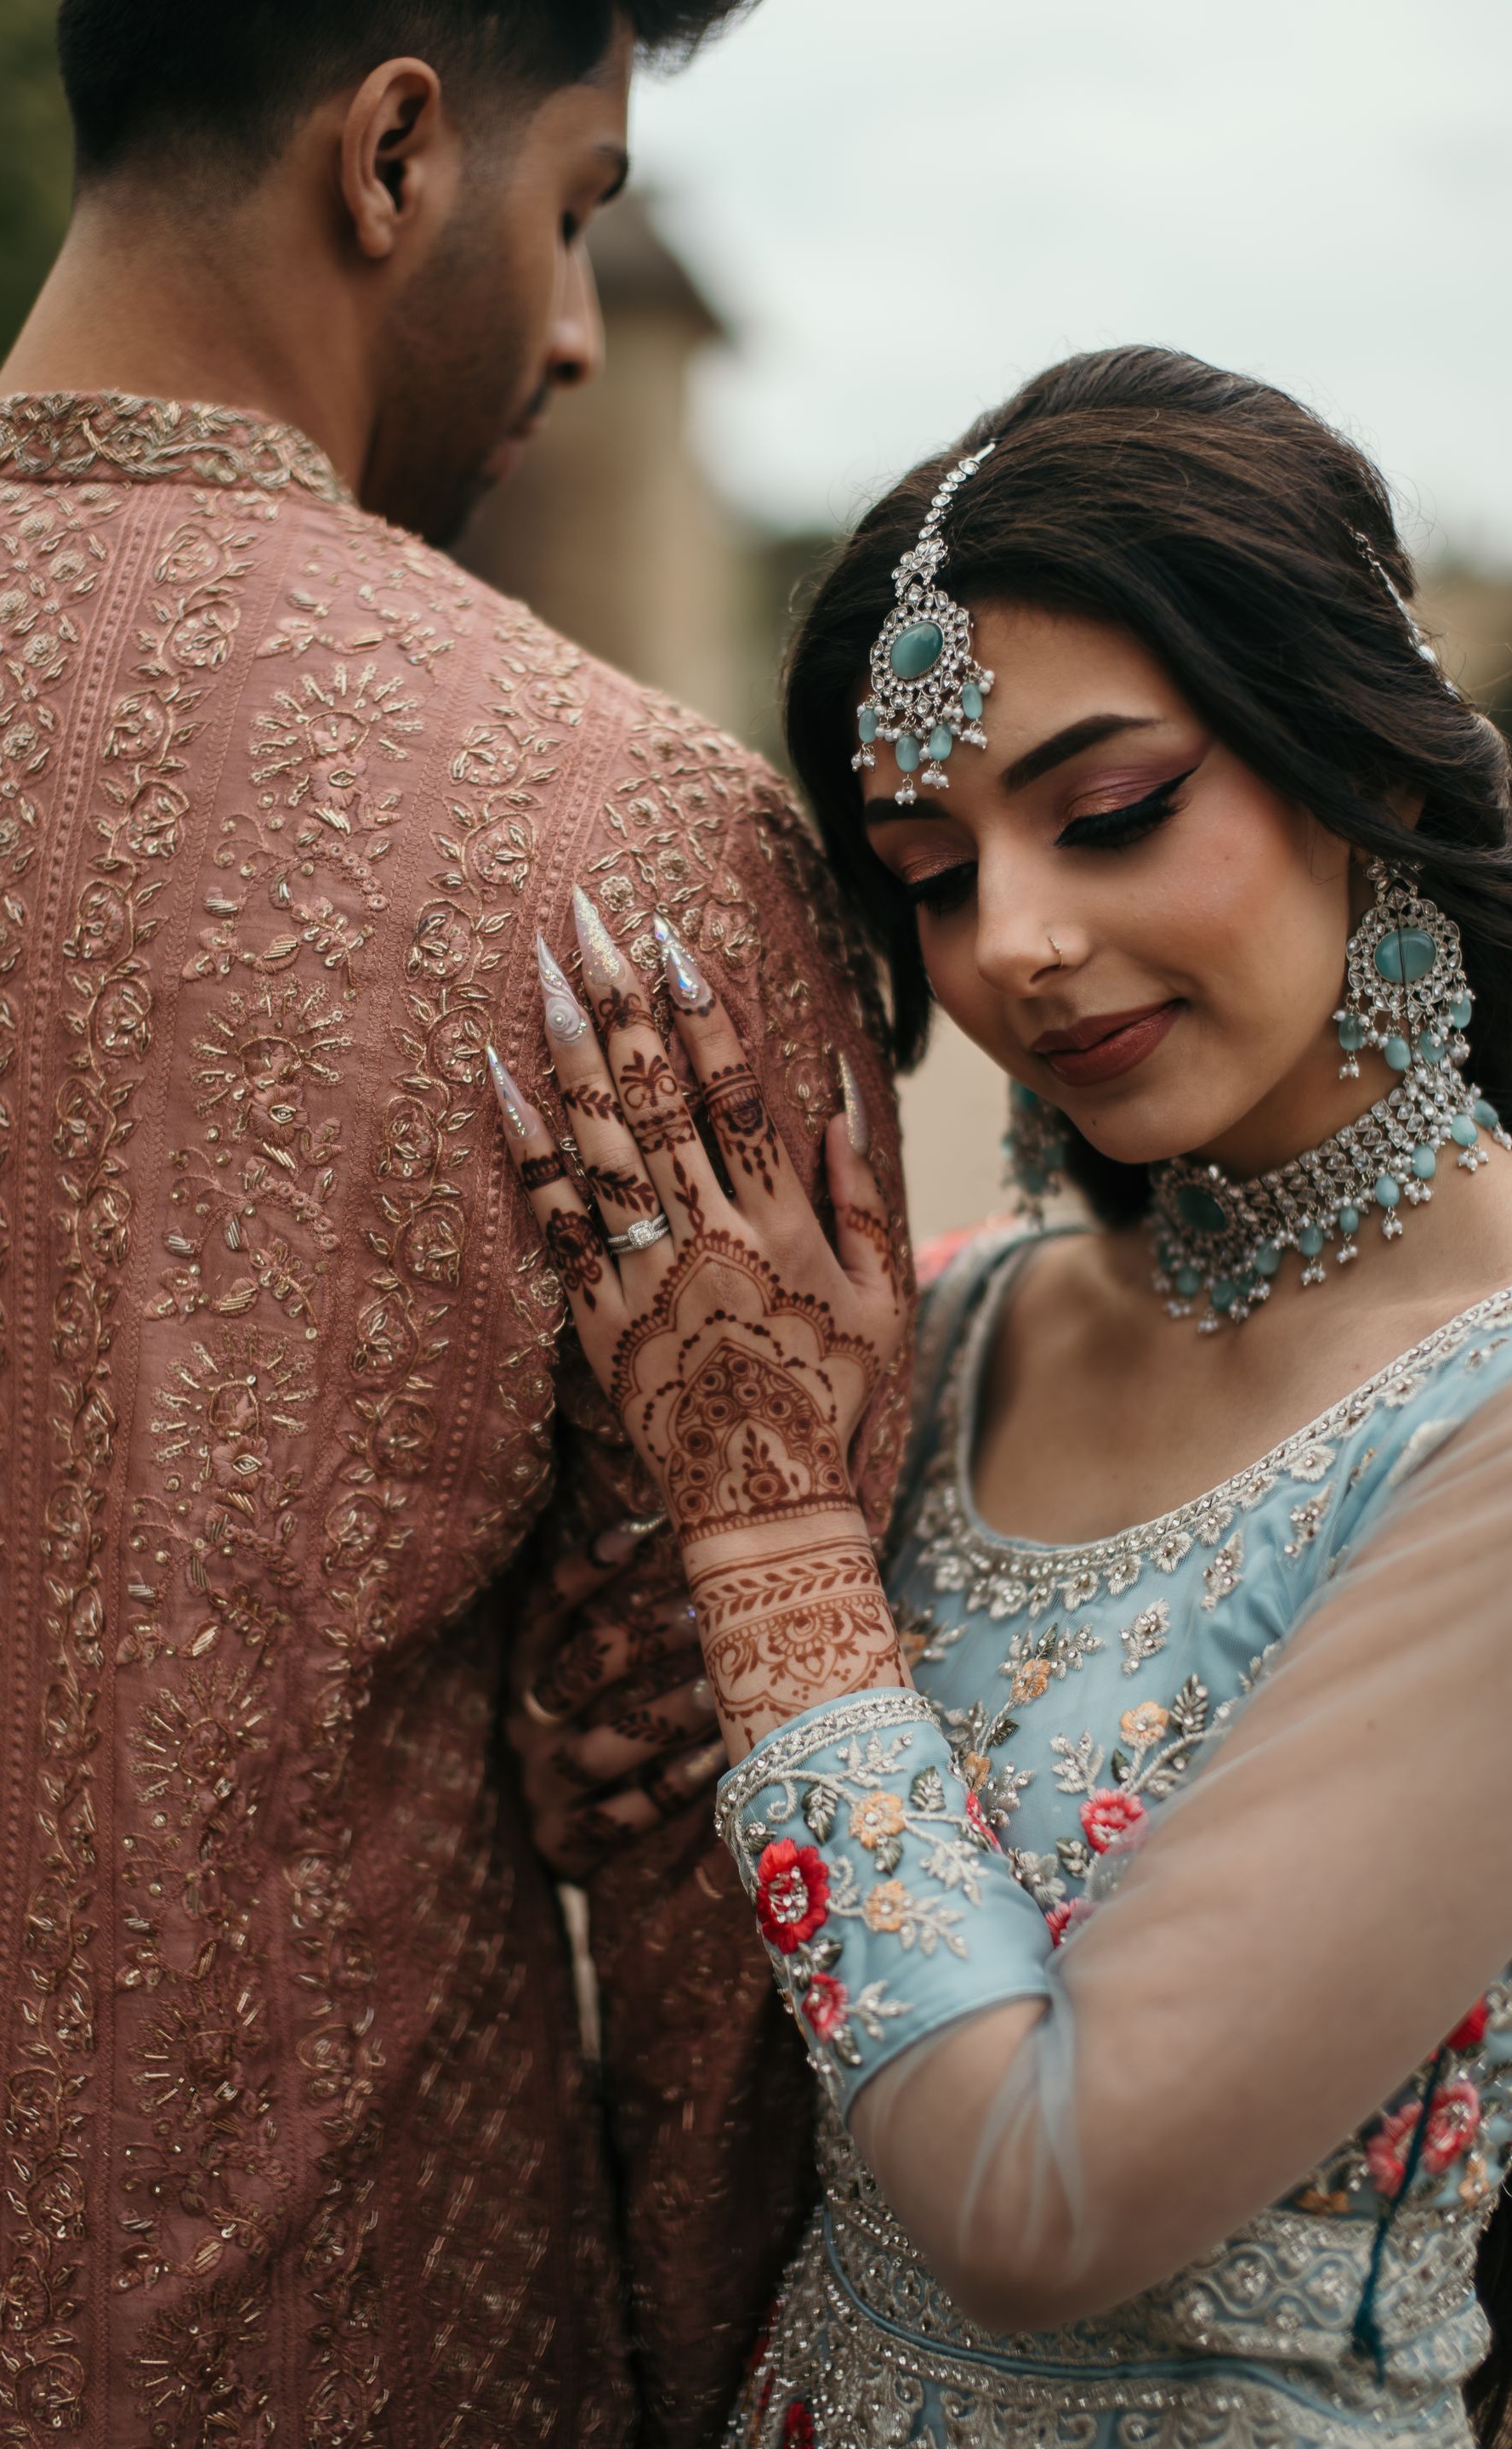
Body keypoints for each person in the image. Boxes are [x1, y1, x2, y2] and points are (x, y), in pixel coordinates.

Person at [0, 5, 917, 2442]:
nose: (574, 319)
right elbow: (711, 1849)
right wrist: (707, 2368)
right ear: (395, 150)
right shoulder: (625, 852)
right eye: (575, 206)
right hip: (346, 2348)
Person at [500, 344, 1512, 2447]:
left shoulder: (1485, 1422)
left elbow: (1043, 2192)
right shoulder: (947, 1334)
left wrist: (771, 1560)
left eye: (1111, 811)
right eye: (933, 868)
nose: (1017, 947)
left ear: (1371, 772)